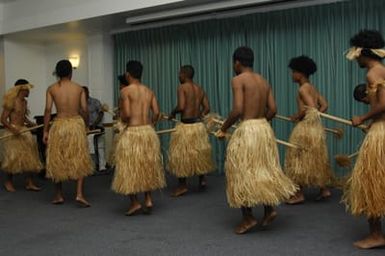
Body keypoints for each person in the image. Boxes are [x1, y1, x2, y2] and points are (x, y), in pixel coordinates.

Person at [216, 47, 297, 234]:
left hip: (248, 130)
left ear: (237, 62)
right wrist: (260, 123)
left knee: (242, 172)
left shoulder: (238, 80)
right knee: (264, 170)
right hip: (264, 130)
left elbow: (237, 110)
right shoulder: (263, 81)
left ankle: (248, 217)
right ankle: (269, 210)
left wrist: (223, 128)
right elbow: (273, 110)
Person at [343, 29, 385, 249]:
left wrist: (362, 117)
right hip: (380, 128)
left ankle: (376, 235)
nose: (355, 57)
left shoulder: (372, 74)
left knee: (371, 182)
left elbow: (382, 105)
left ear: (362, 51)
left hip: (380, 134)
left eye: (355, 52)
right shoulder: (382, 70)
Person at [111, 60, 166, 216]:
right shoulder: (149, 91)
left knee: (128, 168)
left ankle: (135, 202)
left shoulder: (125, 91)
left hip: (133, 133)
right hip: (148, 132)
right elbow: (157, 112)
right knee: (147, 166)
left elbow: (127, 115)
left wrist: (120, 117)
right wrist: (152, 124)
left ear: (128, 74)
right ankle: (148, 199)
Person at [284, 56, 333, 204]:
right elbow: (324, 105)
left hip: (305, 128)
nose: (292, 75)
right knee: (315, 158)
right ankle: (324, 190)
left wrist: (296, 116)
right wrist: (314, 114)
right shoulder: (312, 88)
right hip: (315, 129)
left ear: (300, 73)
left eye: (293, 72)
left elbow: (311, 108)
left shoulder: (303, 89)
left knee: (297, 158)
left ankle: (299, 194)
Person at [43, 59, 93, 207]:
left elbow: (47, 110)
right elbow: (84, 109)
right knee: (80, 158)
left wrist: (45, 130)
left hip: (59, 125)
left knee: (57, 159)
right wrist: (87, 125)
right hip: (76, 125)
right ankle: (79, 194)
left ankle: (59, 195)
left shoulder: (52, 89)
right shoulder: (79, 89)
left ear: (57, 73)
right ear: (71, 72)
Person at [168, 65, 215, 197]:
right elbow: (207, 107)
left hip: (186, 126)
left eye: (179, 74)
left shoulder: (182, 88)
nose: (178, 76)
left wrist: (172, 113)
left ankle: (182, 186)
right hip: (198, 126)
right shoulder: (199, 89)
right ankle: (202, 180)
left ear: (184, 74)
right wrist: (199, 114)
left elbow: (182, 106)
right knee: (199, 153)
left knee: (181, 155)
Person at [1, 79, 42, 192]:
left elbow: (22, 117)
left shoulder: (24, 102)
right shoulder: (11, 101)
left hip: (23, 131)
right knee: (12, 159)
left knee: (30, 157)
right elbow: (3, 119)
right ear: (21, 89)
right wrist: (12, 129)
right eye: (27, 89)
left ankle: (29, 182)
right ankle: (8, 182)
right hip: (12, 132)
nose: (29, 91)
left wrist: (31, 123)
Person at [83, 86, 106, 172]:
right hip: (87, 128)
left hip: (97, 126)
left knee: (100, 145)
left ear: (88, 92)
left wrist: (95, 124)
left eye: (85, 93)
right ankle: (91, 166)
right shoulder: (79, 104)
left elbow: (101, 114)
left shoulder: (95, 101)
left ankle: (102, 166)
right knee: (89, 146)